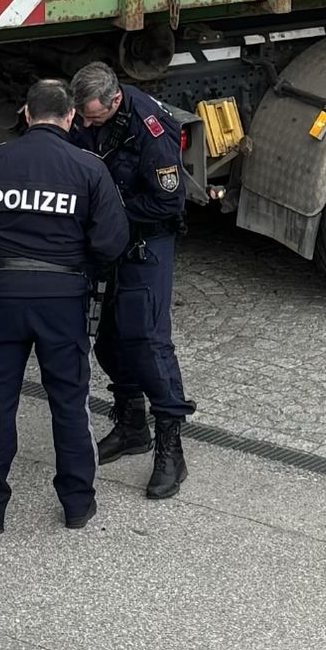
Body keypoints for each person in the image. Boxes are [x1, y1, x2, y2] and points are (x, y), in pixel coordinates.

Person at [0, 75, 129, 536]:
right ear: (71, 117)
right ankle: (77, 504)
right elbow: (112, 242)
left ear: (27, 115)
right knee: (69, 403)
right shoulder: (89, 168)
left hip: (2, 298)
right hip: (63, 300)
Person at [71, 55, 194, 503]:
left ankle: (170, 447)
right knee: (105, 335)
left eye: (93, 116)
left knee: (147, 339)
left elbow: (168, 203)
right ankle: (130, 424)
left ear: (115, 99)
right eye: (81, 116)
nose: (85, 122)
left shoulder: (151, 129)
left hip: (146, 241)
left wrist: (110, 214)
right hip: (104, 241)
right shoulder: (86, 114)